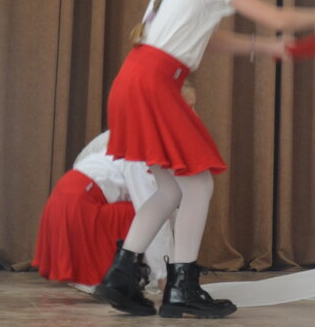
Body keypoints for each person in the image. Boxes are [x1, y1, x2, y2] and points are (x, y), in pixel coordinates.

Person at [93, 0, 315, 319]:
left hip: (134, 80)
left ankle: (121, 275)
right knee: (198, 185)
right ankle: (182, 287)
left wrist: (264, 48)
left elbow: (207, 37)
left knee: (171, 189)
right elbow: (276, 18)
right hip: (154, 85)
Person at [32, 81, 199, 295]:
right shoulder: (143, 147)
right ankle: (114, 277)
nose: (195, 116)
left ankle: (123, 275)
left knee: (161, 211)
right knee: (154, 215)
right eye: (188, 108)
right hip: (79, 209)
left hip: (68, 203)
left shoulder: (138, 134)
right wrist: (166, 279)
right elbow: (153, 214)